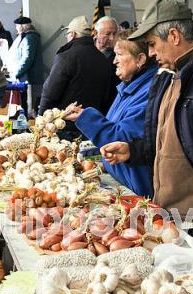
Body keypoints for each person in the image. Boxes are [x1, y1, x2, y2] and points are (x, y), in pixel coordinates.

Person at [100, 0, 193, 260]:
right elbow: (164, 137)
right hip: (171, 215)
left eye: (153, 45)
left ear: (174, 35)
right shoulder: (167, 75)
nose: (152, 53)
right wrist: (133, 151)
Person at [65, 31, 157, 196]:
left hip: (136, 190)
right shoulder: (128, 87)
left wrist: (86, 118)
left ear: (140, 59)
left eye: (120, 55)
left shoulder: (148, 92)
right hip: (122, 180)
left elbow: (120, 141)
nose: (114, 60)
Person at [39, 16, 111, 139]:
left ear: (72, 34)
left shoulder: (66, 57)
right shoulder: (103, 60)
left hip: (64, 127)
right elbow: (107, 97)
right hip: (92, 128)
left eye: (67, 34)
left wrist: (41, 118)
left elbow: (50, 92)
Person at [7, 16, 44, 117]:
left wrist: (17, 73)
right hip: (26, 77)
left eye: (17, 26)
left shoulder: (30, 37)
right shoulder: (27, 36)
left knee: (28, 105)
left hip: (29, 77)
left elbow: (27, 58)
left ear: (22, 27)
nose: (16, 28)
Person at [94, 16, 121, 106]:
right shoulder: (85, 52)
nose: (112, 38)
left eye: (115, 33)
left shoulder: (120, 56)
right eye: (107, 34)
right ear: (96, 33)